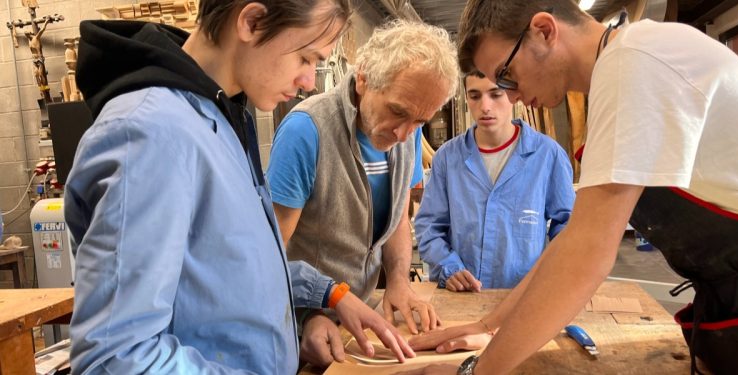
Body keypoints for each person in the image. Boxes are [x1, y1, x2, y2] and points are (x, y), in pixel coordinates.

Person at [65, 1, 416, 373]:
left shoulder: (220, 118)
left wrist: (329, 293)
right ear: (252, 21)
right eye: (305, 58)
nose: (309, 82)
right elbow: (116, 358)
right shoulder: (151, 136)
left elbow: (231, 267)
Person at [401, 0, 738, 374]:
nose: (512, 96)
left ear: (545, 31)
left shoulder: (635, 65)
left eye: (507, 74)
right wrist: (489, 325)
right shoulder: (626, 63)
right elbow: (573, 244)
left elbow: (587, 254)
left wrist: (475, 371)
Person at [267, 20, 458, 336]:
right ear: (363, 80)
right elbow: (267, 258)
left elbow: (398, 218)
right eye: (396, 111)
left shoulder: (409, 131)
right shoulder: (306, 132)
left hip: (364, 317)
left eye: (419, 120)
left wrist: (398, 281)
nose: (402, 133)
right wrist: (306, 320)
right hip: (303, 323)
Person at [415, 72, 574, 292]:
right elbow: (429, 226)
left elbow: (568, 227)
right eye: (475, 96)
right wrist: (449, 267)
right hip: (462, 297)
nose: (485, 106)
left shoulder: (547, 156)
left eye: (496, 94)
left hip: (522, 296)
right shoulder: (448, 158)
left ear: (514, 95)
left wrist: (549, 273)